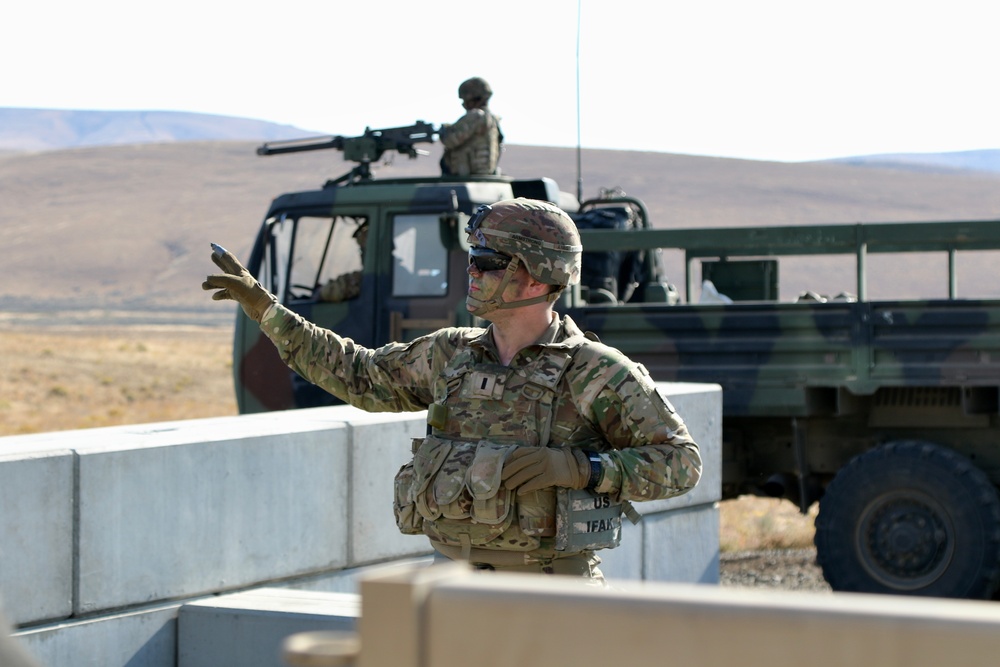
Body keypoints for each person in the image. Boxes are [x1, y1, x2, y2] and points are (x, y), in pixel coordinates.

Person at [203, 198, 702, 581]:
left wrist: (584, 469)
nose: (472, 271)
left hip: (549, 595)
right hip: (453, 585)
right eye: (473, 258)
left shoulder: (595, 371)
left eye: (486, 260)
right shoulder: (451, 354)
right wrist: (269, 314)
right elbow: (360, 374)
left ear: (535, 277)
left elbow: (681, 463)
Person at [439, 77, 503, 176]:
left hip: (468, 177)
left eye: (465, 100)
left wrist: (444, 131)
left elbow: (450, 140)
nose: (464, 104)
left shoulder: (476, 116)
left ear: (474, 98)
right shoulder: (492, 119)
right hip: (483, 176)